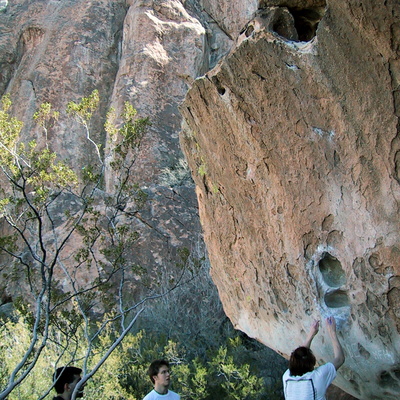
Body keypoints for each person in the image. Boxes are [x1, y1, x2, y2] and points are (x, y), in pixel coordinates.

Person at [282, 316, 345, 400]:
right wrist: (332, 332)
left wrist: (311, 334)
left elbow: (300, 357)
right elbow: (340, 359)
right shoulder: (317, 377)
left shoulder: (287, 377)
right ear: (312, 364)